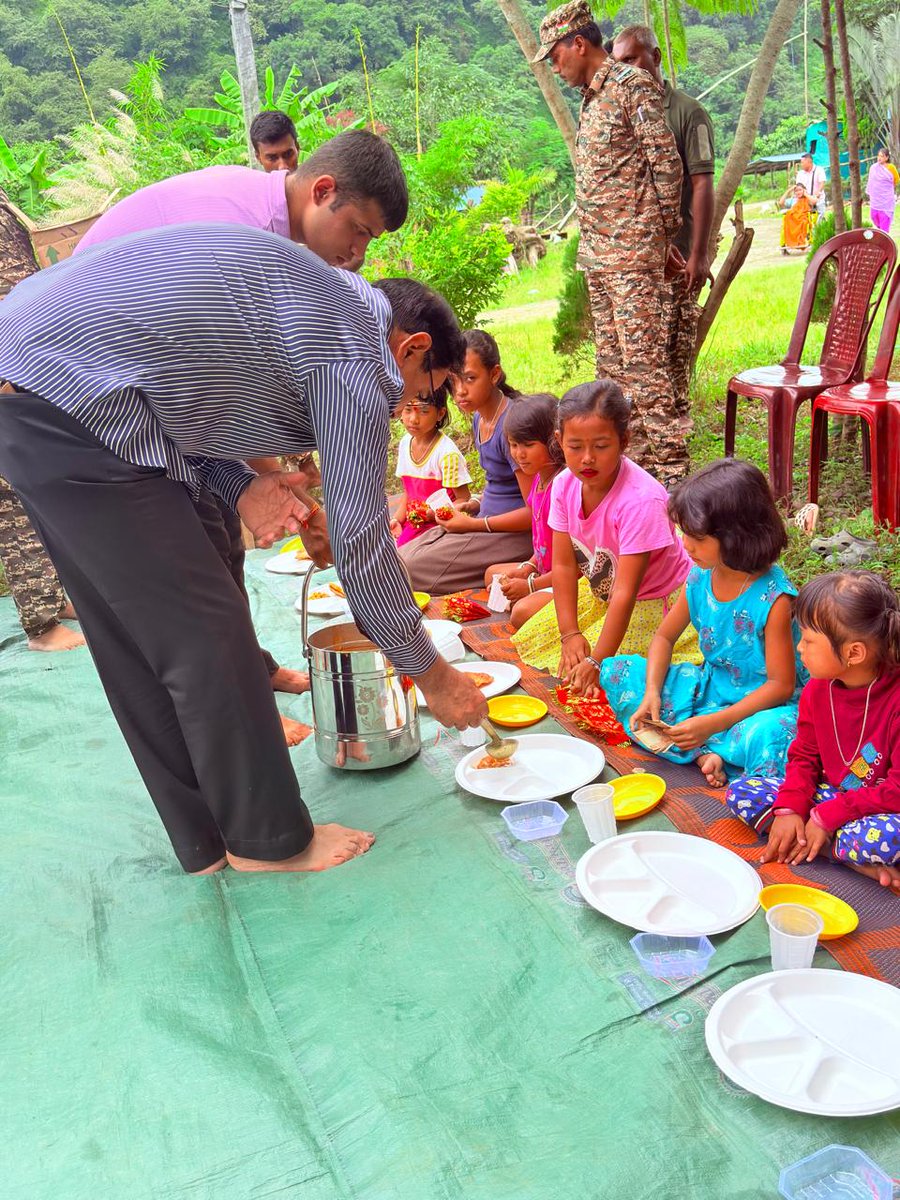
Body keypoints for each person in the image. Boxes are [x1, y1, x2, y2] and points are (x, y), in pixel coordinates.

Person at [0, 224, 488, 876]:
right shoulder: (355, 350)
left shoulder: (318, 302)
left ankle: (202, 840)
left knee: (130, 638)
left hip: (30, 387)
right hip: (71, 398)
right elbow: (365, 546)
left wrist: (241, 487)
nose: (411, 407)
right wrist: (435, 675)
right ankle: (268, 841)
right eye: (429, 391)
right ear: (413, 348)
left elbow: (178, 402)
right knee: (210, 627)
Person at [75, 130, 409, 743]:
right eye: (358, 231)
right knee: (197, 577)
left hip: (146, 391)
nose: (358, 253)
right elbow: (201, 382)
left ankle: (253, 677)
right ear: (323, 191)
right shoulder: (240, 230)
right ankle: (245, 722)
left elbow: (232, 392)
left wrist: (271, 485)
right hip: (92, 395)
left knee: (226, 544)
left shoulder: (277, 235)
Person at [533, 1, 686, 485]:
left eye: (555, 56)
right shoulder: (592, 96)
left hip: (633, 257)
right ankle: (638, 477)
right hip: (601, 258)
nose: (554, 67)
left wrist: (660, 240)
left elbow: (666, 165)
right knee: (615, 378)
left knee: (647, 375)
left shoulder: (629, 85)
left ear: (579, 43)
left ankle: (674, 480)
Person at [602, 459, 804, 787]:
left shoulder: (775, 599)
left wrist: (711, 723)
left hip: (761, 707)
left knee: (773, 733)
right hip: (710, 690)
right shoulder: (700, 576)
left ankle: (707, 748)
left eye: (697, 537)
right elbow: (664, 638)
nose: (685, 545)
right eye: (684, 532)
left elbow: (780, 686)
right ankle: (707, 753)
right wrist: (652, 692)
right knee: (617, 672)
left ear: (737, 535)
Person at [512, 380, 698, 689]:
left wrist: (597, 660)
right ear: (559, 440)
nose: (587, 458)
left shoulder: (641, 500)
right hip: (602, 590)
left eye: (600, 446)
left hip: (651, 600)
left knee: (598, 675)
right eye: (575, 447)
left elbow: (626, 592)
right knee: (526, 620)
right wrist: (569, 633)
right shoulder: (564, 485)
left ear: (624, 441)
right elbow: (564, 566)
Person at [726, 571, 900, 894]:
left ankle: (819, 843)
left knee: (888, 837)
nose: (799, 647)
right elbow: (804, 755)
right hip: (833, 800)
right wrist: (792, 808)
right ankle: (841, 854)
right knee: (742, 792)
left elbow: (896, 790)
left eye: (808, 640)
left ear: (854, 653)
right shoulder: (817, 692)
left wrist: (825, 817)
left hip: (880, 810)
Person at [611, 24, 714, 417]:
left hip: (678, 259)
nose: (626, 69)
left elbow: (703, 184)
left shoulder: (687, 113)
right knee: (637, 372)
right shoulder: (621, 110)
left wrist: (699, 255)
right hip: (636, 264)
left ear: (655, 56)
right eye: (618, 62)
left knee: (671, 365)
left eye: (633, 59)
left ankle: (676, 466)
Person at [0, 191, 84, 652]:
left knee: (40, 483)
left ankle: (54, 595)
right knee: (11, 492)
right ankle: (41, 624)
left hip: (21, 347)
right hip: (7, 362)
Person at [399, 331, 533, 592]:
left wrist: (475, 524)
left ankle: (512, 567)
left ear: (494, 374)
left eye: (470, 379)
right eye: (453, 380)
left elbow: (535, 512)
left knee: (408, 570)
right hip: (485, 521)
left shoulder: (513, 425)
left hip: (517, 534)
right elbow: (500, 486)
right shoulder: (479, 418)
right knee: (398, 556)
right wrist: (470, 505)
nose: (459, 391)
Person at [484, 392, 564, 629]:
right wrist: (527, 567)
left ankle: (529, 599)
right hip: (543, 570)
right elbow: (541, 549)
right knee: (492, 574)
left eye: (528, 445)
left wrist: (529, 585)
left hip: (565, 579)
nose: (519, 454)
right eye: (513, 444)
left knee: (521, 613)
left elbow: (576, 570)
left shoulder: (562, 488)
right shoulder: (538, 481)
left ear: (554, 441)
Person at [390, 389, 471, 546]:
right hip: (414, 524)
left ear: (440, 413)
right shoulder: (405, 443)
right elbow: (409, 492)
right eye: (407, 409)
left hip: (441, 526)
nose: (413, 419)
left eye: (424, 411)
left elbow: (463, 498)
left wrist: (436, 514)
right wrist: (397, 519)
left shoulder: (447, 454)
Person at [865, 148, 897, 234]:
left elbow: (896, 180)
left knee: (884, 220)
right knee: (873, 216)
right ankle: (881, 231)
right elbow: (871, 181)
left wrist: (885, 189)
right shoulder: (873, 168)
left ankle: (884, 237)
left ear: (887, 157)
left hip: (886, 200)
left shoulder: (891, 168)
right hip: (875, 200)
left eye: (882, 156)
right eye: (878, 156)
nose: (879, 158)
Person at [779, 184, 813, 253]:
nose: (798, 192)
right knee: (787, 220)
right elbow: (781, 203)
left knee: (803, 222)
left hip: (803, 219)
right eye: (796, 191)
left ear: (804, 190)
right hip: (793, 220)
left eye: (800, 190)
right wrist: (788, 191)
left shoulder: (807, 199)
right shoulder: (792, 200)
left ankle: (800, 241)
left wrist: (806, 194)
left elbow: (814, 202)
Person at [796, 152, 826, 217]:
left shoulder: (819, 170)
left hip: (818, 199)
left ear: (809, 162)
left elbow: (822, 183)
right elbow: (798, 187)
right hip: (805, 199)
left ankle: (820, 225)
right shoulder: (800, 173)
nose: (801, 164)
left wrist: (817, 194)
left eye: (802, 162)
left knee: (820, 211)